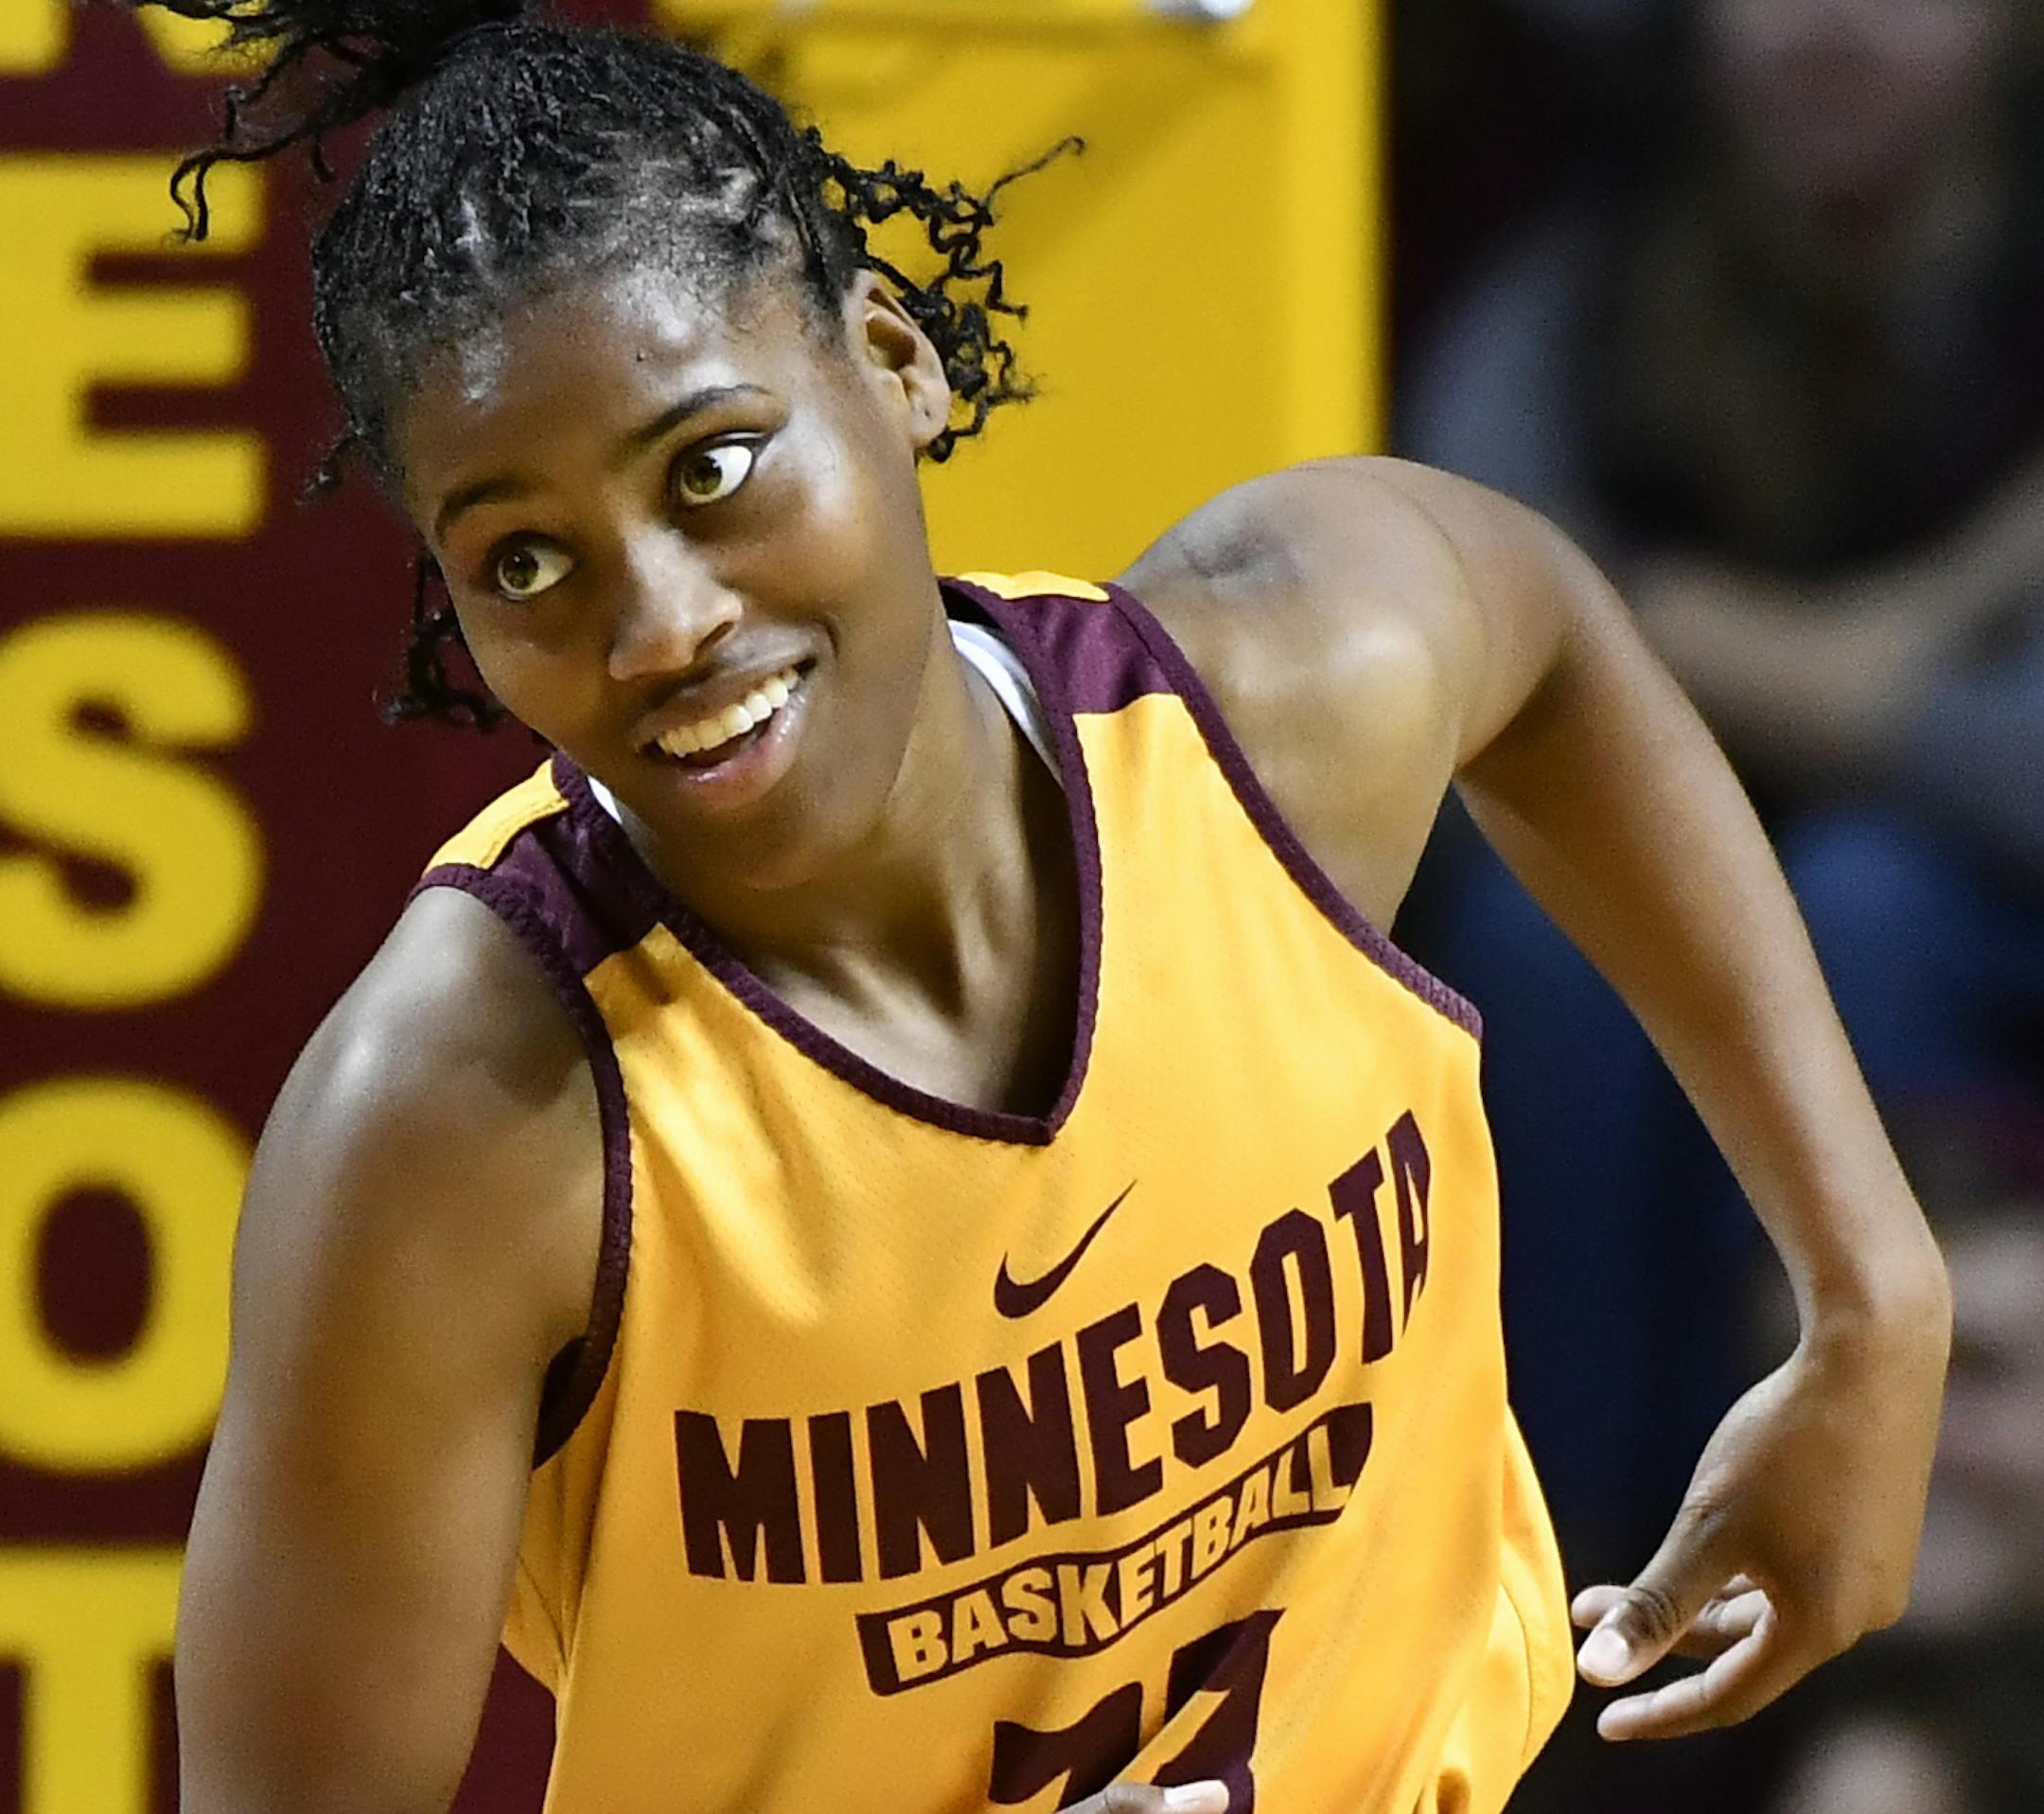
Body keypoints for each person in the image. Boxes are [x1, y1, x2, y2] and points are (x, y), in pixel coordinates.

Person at [132, 3, 1949, 1811]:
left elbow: (1541, 639)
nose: (661, 621)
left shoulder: (1273, 722)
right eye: (524, 561)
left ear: (894, 361)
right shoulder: (458, 1126)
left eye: (710, 468)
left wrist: (1869, 1287)